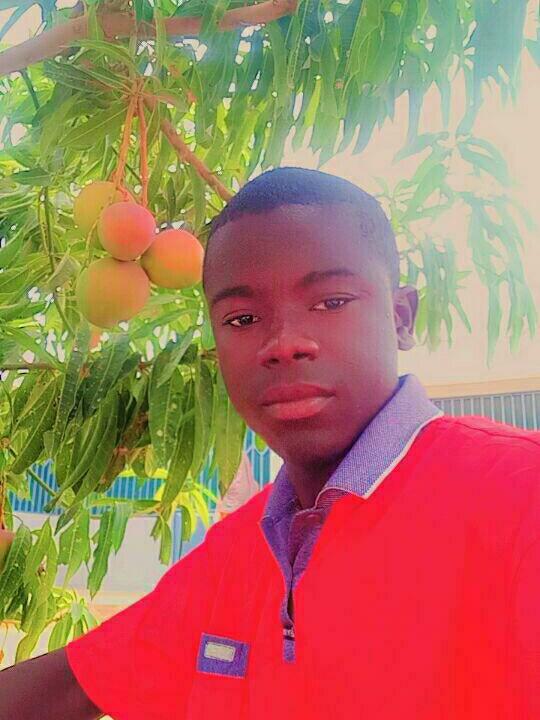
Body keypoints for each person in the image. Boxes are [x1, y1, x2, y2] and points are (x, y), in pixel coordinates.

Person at [1, 167, 539, 720]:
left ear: (401, 318)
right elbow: (76, 684)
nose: (284, 343)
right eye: (243, 318)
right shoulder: (240, 552)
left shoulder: (520, 498)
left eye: (331, 302)